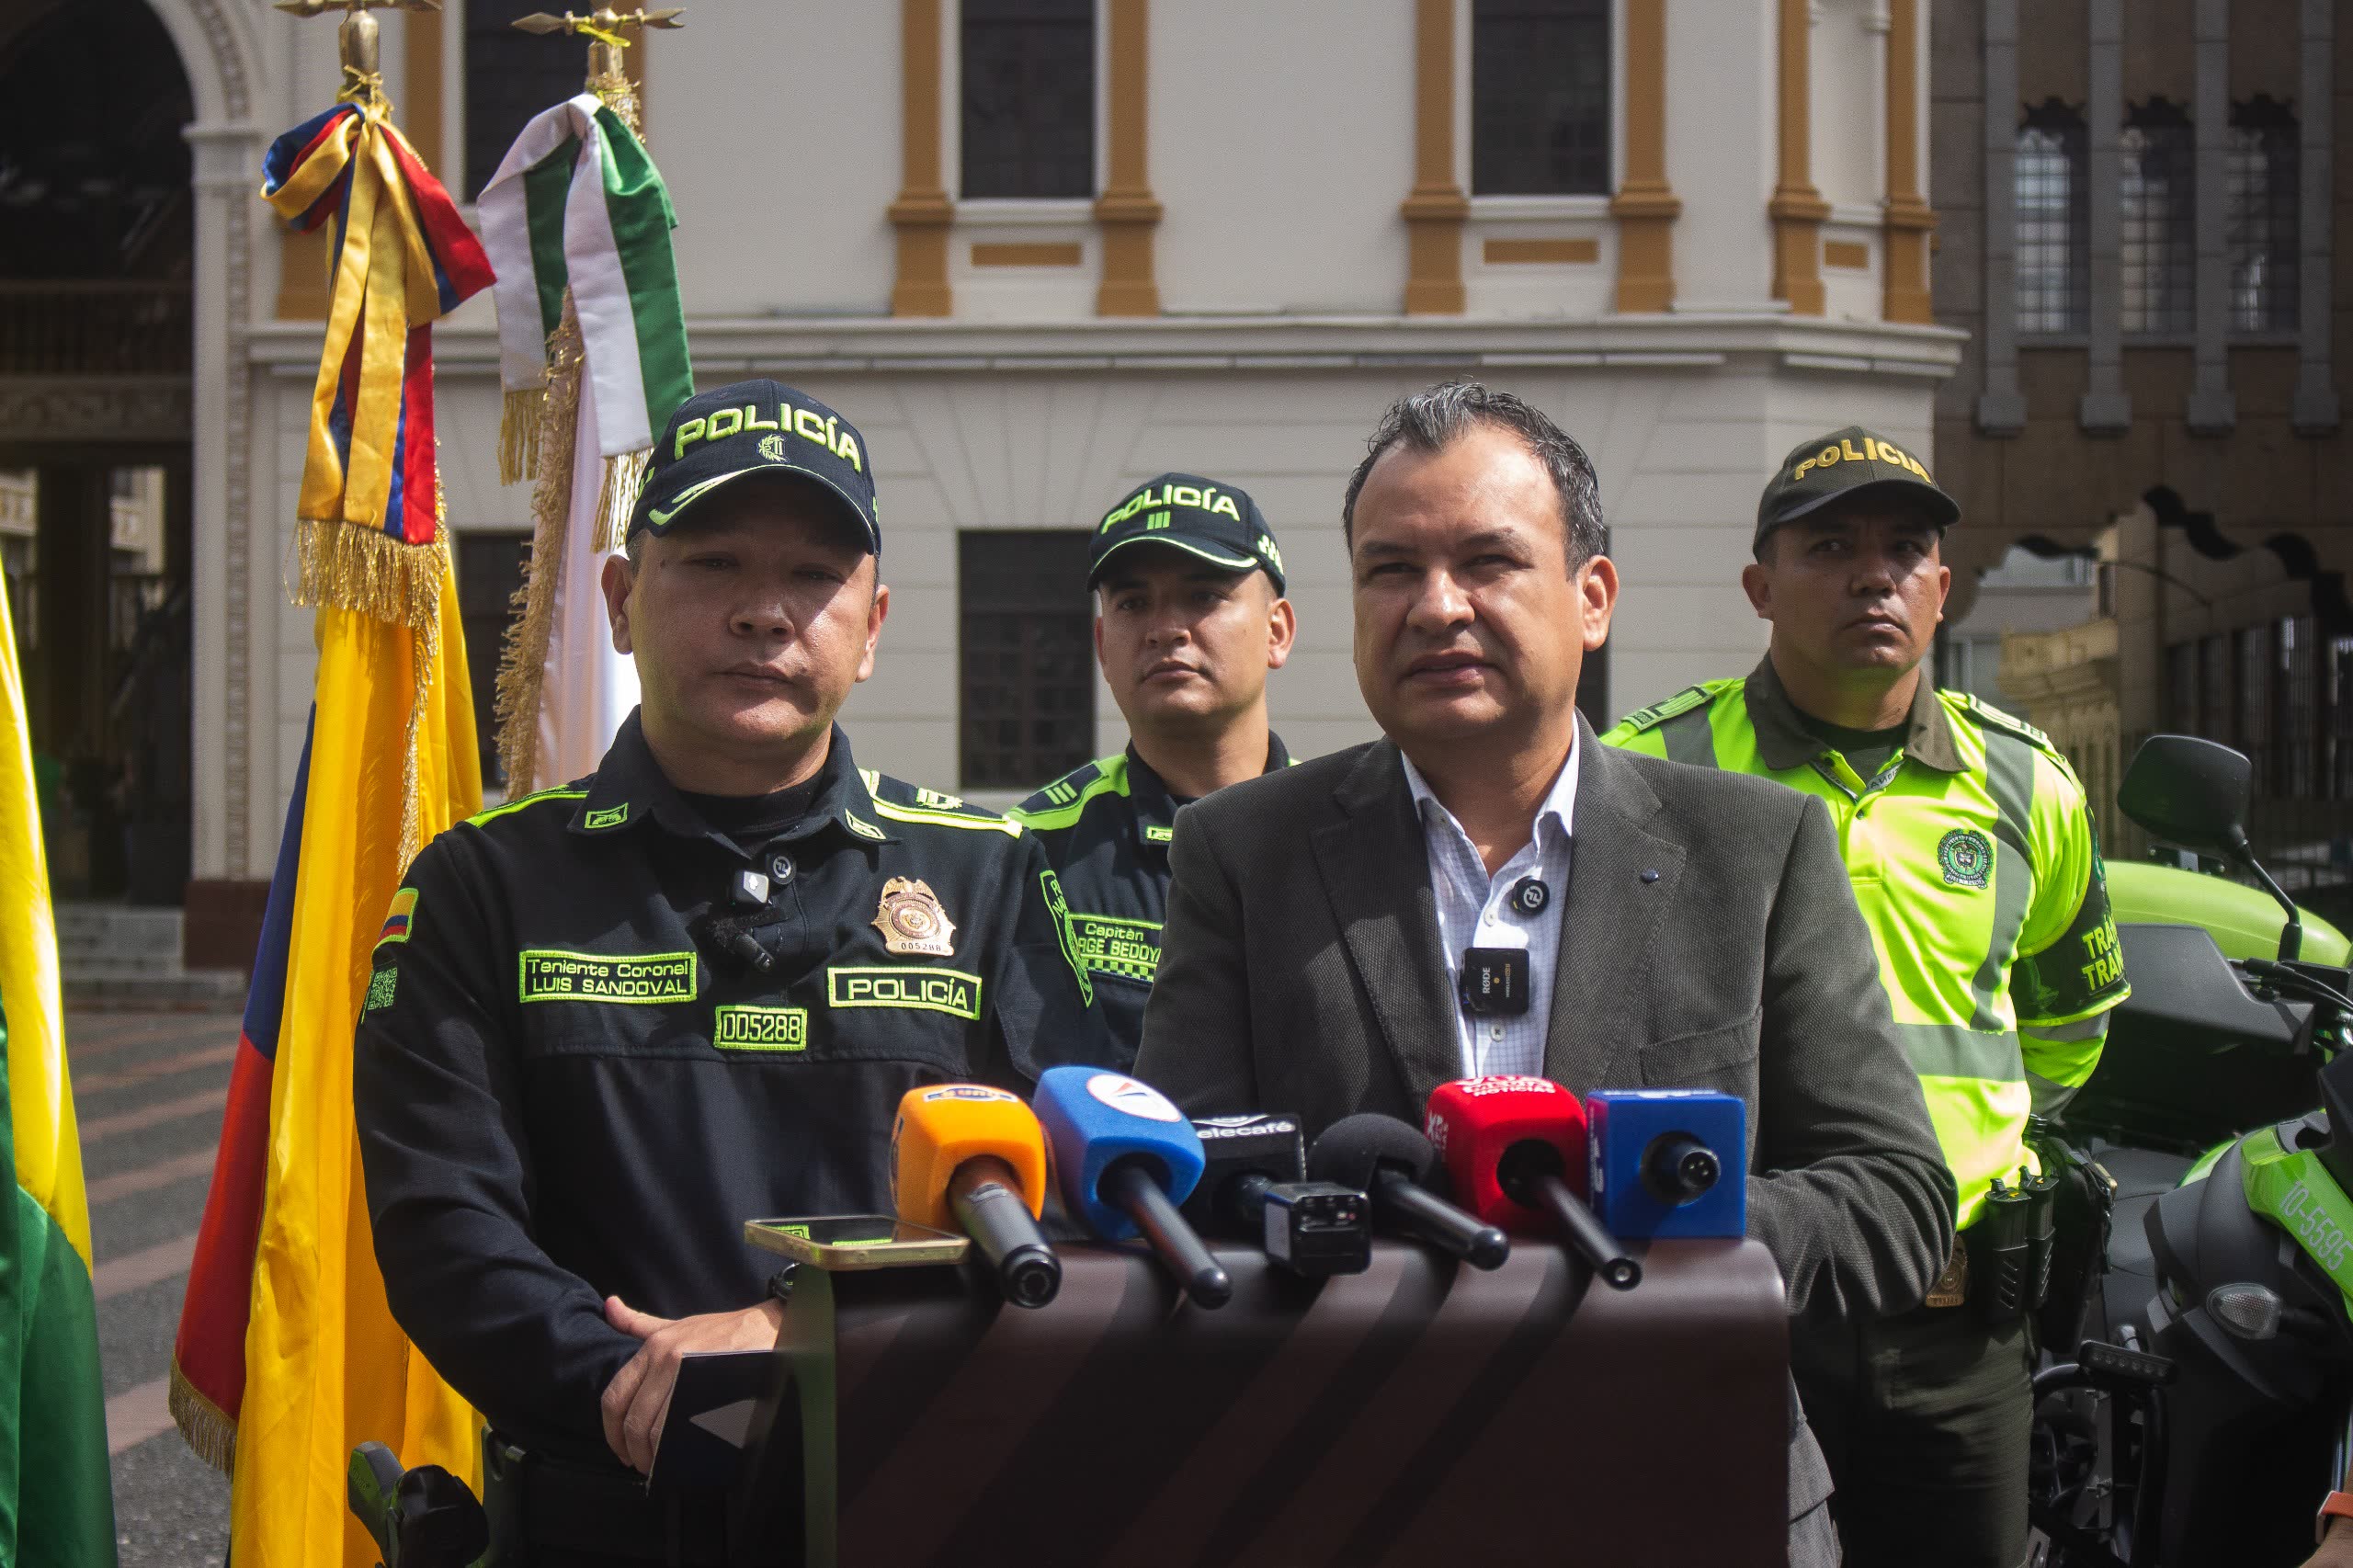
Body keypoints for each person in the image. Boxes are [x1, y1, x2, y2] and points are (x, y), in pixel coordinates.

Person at [1131, 381, 1955, 1566]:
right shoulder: (1241, 851)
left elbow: (1895, 1196)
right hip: (1344, 1493)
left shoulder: (1758, 849)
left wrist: (1654, 1215)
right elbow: (1189, 1179)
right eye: (1390, 569)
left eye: (1486, 560)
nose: (1435, 606)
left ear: (1593, 597)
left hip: (1692, 1486)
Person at [354, 381, 1104, 1532]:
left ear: (873, 627)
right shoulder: (481, 886)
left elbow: (1081, 1211)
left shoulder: (988, 875)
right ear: (618, 598)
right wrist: (657, 1388)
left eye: (813, 575)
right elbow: (445, 1232)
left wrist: (810, 1347)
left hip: (921, 1500)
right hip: (604, 1510)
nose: (765, 611)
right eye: (710, 562)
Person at [1604, 426, 2129, 1568]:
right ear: (1759, 585)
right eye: (1829, 543)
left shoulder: (2028, 783)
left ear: (1942, 587)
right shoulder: (1657, 769)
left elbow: (2064, 1037)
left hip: (1958, 1326)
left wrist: (1963, 1143)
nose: (1872, 572)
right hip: (1738, 1297)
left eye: (1905, 547)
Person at [1010, 473, 1297, 1064]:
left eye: (1203, 596)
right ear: (1102, 645)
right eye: (1133, 604)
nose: (1166, 629)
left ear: (1278, 630)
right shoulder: (1032, 848)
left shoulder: (1350, 839)